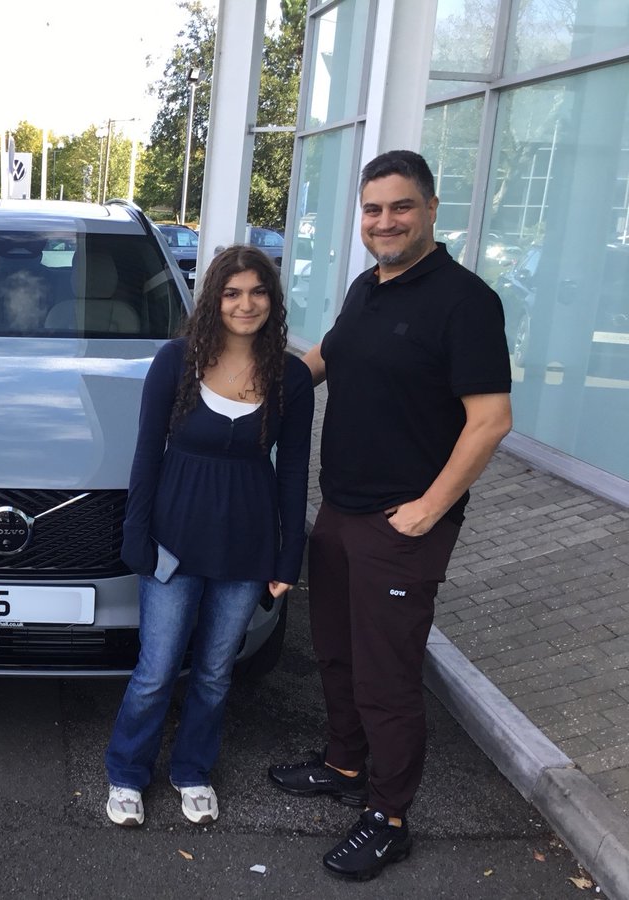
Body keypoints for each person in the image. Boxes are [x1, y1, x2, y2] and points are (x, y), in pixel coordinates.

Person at [267, 150, 512, 881]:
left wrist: (429, 511)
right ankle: (345, 766)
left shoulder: (466, 302)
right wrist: (241, 388)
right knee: (337, 652)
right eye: (373, 210)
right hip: (340, 510)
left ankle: (389, 815)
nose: (385, 221)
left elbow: (491, 420)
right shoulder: (365, 289)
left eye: (400, 207)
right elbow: (320, 361)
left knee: (388, 674)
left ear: (432, 208)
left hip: (402, 525)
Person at [105, 245, 313, 827]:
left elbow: (294, 472)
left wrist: (288, 556)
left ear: (272, 300)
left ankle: (192, 770)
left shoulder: (290, 378)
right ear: (214, 299)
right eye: (232, 293)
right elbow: (146, 455)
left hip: (246, 550)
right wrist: (135, 535)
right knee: (156, 670)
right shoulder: (175, 361)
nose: (245, 304)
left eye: (257, 292)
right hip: (172, 543)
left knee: (218, 672)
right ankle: (126, 773)